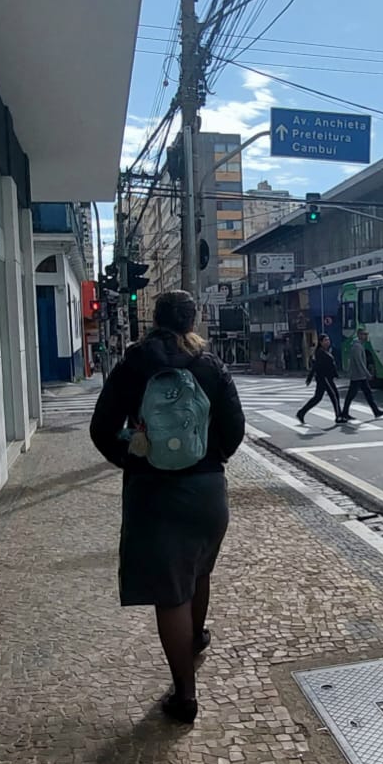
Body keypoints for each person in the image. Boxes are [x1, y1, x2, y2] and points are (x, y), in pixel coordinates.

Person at [90, 290, 245, 725]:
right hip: (207, 492)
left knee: (169, 593)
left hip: (154, 494)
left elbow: (101, 428)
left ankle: (185, 695)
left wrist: (135, 459)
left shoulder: (133, 365)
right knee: (198, 572)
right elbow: (235, 428)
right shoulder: (211, 365)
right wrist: (212, 460)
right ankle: (195, 639)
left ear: (152, 320)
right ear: (191, 323)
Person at [296, 334, 343, 424]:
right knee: (334, 395)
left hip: (326, 378)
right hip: (324, 378)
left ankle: (301, 413)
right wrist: (310, 377)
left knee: (317, 398)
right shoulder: (320, 352)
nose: (327, 342)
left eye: (328, 340)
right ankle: (338, 416)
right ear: (321, 342)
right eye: (325, 340)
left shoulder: (326, 351)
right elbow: (316, 366)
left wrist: (335, 374)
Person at [342, 328, 383, 419]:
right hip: (357, 376)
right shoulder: (357, 347)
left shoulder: (359, 345)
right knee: (352, 395)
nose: (366, 336)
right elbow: (359, 363)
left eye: (366, 334)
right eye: (364, 334)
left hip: (360, 376)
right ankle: (344, 413)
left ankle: (376, 411)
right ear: (359, 335)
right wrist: (367, 374)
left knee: (368, 394)